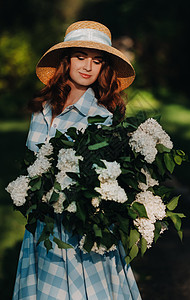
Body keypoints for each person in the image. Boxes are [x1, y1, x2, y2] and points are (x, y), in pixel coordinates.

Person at [13, 20, 142, 300]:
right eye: (80, 57)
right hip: (49, 217)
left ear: (104, 67)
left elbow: (108, 171)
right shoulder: (45, 109)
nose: (87, 66)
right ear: (66, 61)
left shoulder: (103, 114)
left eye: (96, 61)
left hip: (87, 220)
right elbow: (34, 161)